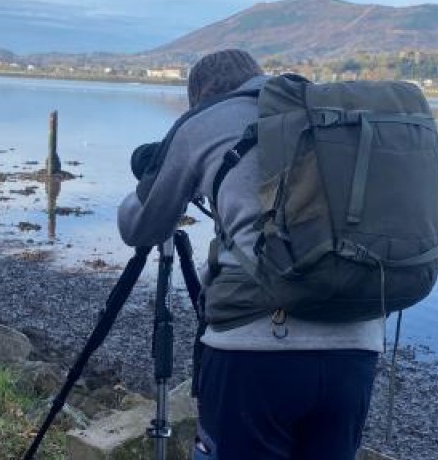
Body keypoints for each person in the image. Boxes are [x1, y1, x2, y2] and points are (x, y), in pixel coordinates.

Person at [118, 49, 383, 460]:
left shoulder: (204, 122)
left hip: (255, 351)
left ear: (200, 97)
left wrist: (169, 173)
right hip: (357, 344)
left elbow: (139, 227)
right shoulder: (329, 116)